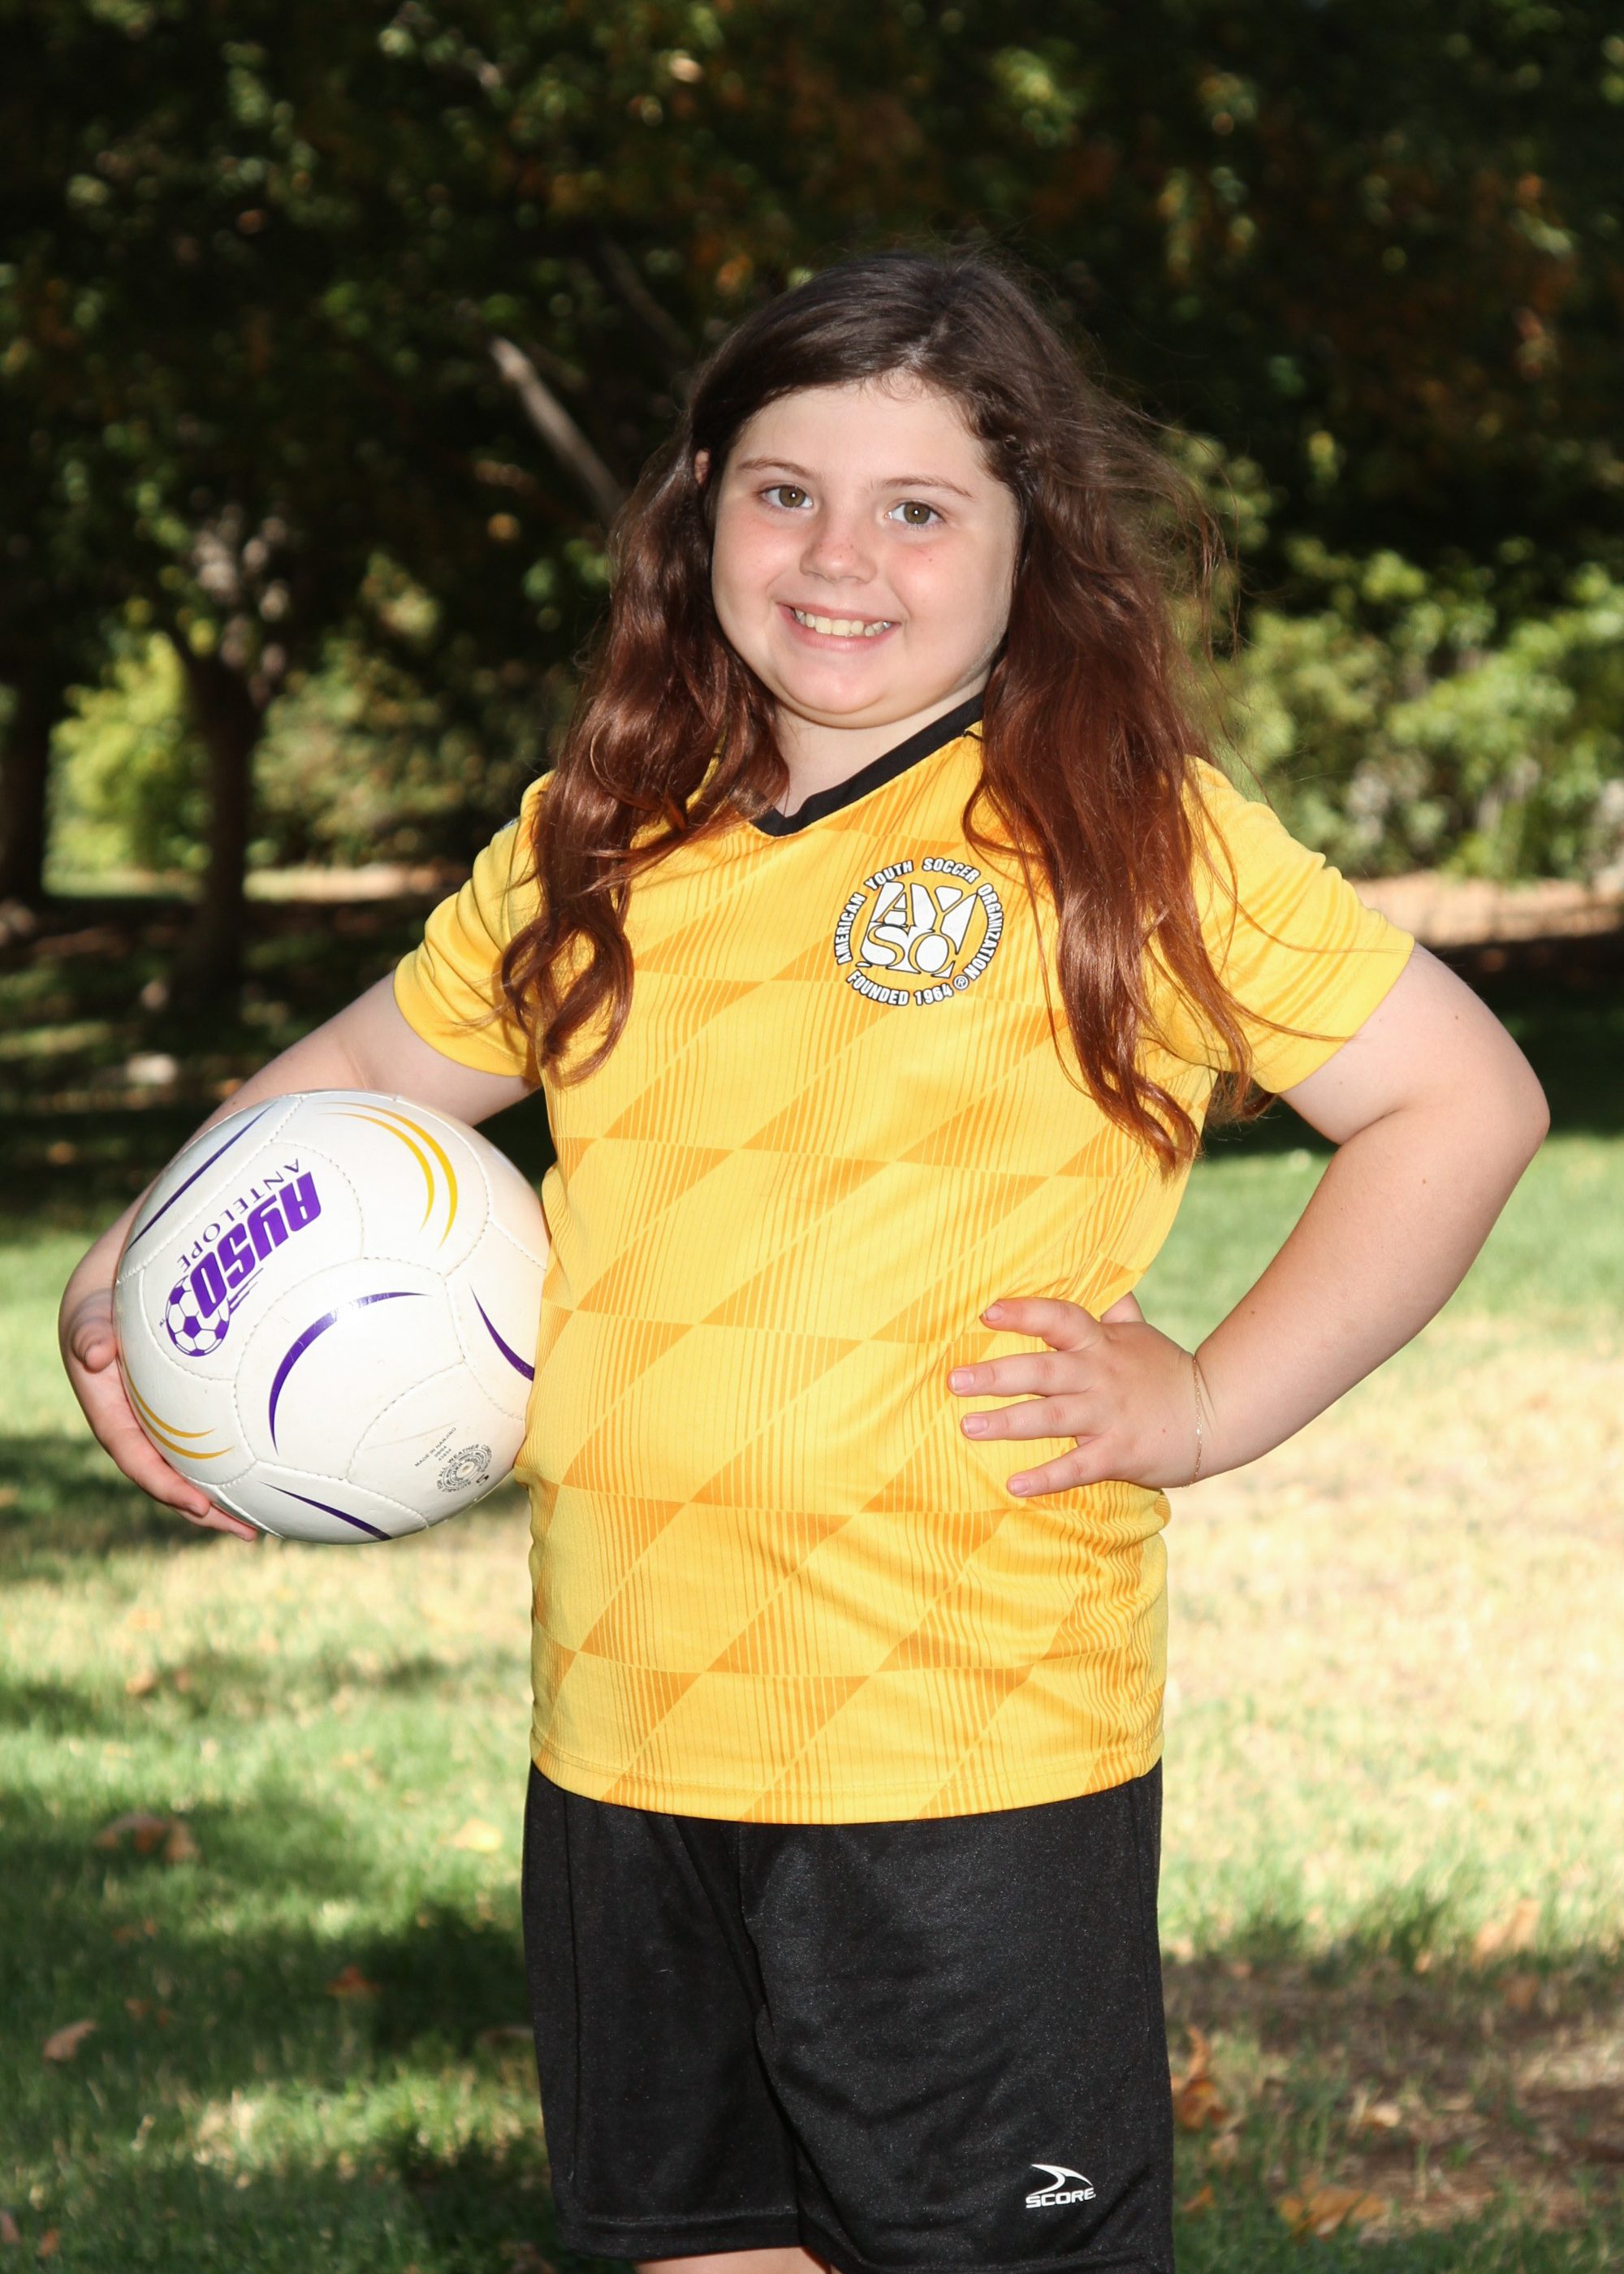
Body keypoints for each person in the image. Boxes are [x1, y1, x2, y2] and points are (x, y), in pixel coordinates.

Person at [60, 253, 1547, 2274]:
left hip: (960, 1737)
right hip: (624, 1727)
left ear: (1032, 537)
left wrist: (1207, 1399)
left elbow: (1460, 1099)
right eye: (785, 492)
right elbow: (371, 1071)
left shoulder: (1118, 828)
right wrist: (141, 1256)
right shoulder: (604, 824)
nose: (840, 556)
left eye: (917, 507)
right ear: (700, 506)